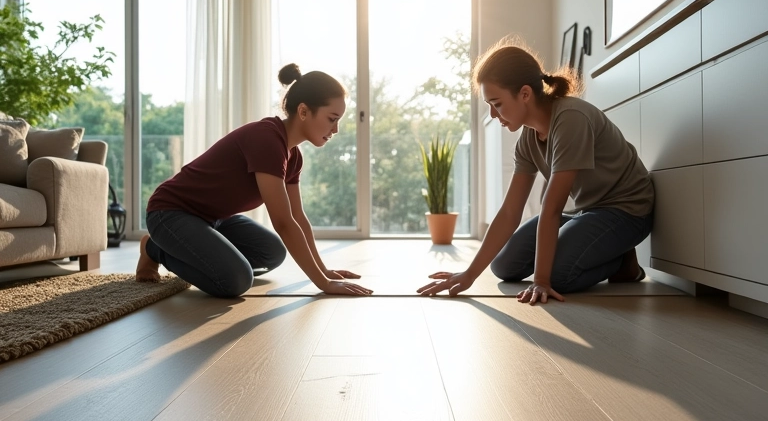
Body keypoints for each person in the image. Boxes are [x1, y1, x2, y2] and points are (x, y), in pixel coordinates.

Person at [418, 37, 654, 304]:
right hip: (585, 212)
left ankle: (622, 260)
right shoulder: (528, 141)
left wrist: (541, 281)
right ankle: (597, 251)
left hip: (627, 211)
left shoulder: (571, 119)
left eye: (496, 103)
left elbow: (551, 208)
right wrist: (469, 274)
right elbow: (510, 212)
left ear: (525, 94)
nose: (494, 115)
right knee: (504, 267)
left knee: (557, 277)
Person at [136, 64, 372, 298]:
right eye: (332, 119)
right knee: (236, 280)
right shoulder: (267, 139)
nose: (336, 129)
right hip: (170, 213)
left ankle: (194, 246)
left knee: (272, 253)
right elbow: (283, 222)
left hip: (215, 219)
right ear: (303, 111)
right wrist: (323, 284)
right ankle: (155, 248)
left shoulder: (294, 157)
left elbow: (298, 217)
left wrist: (325, 271)